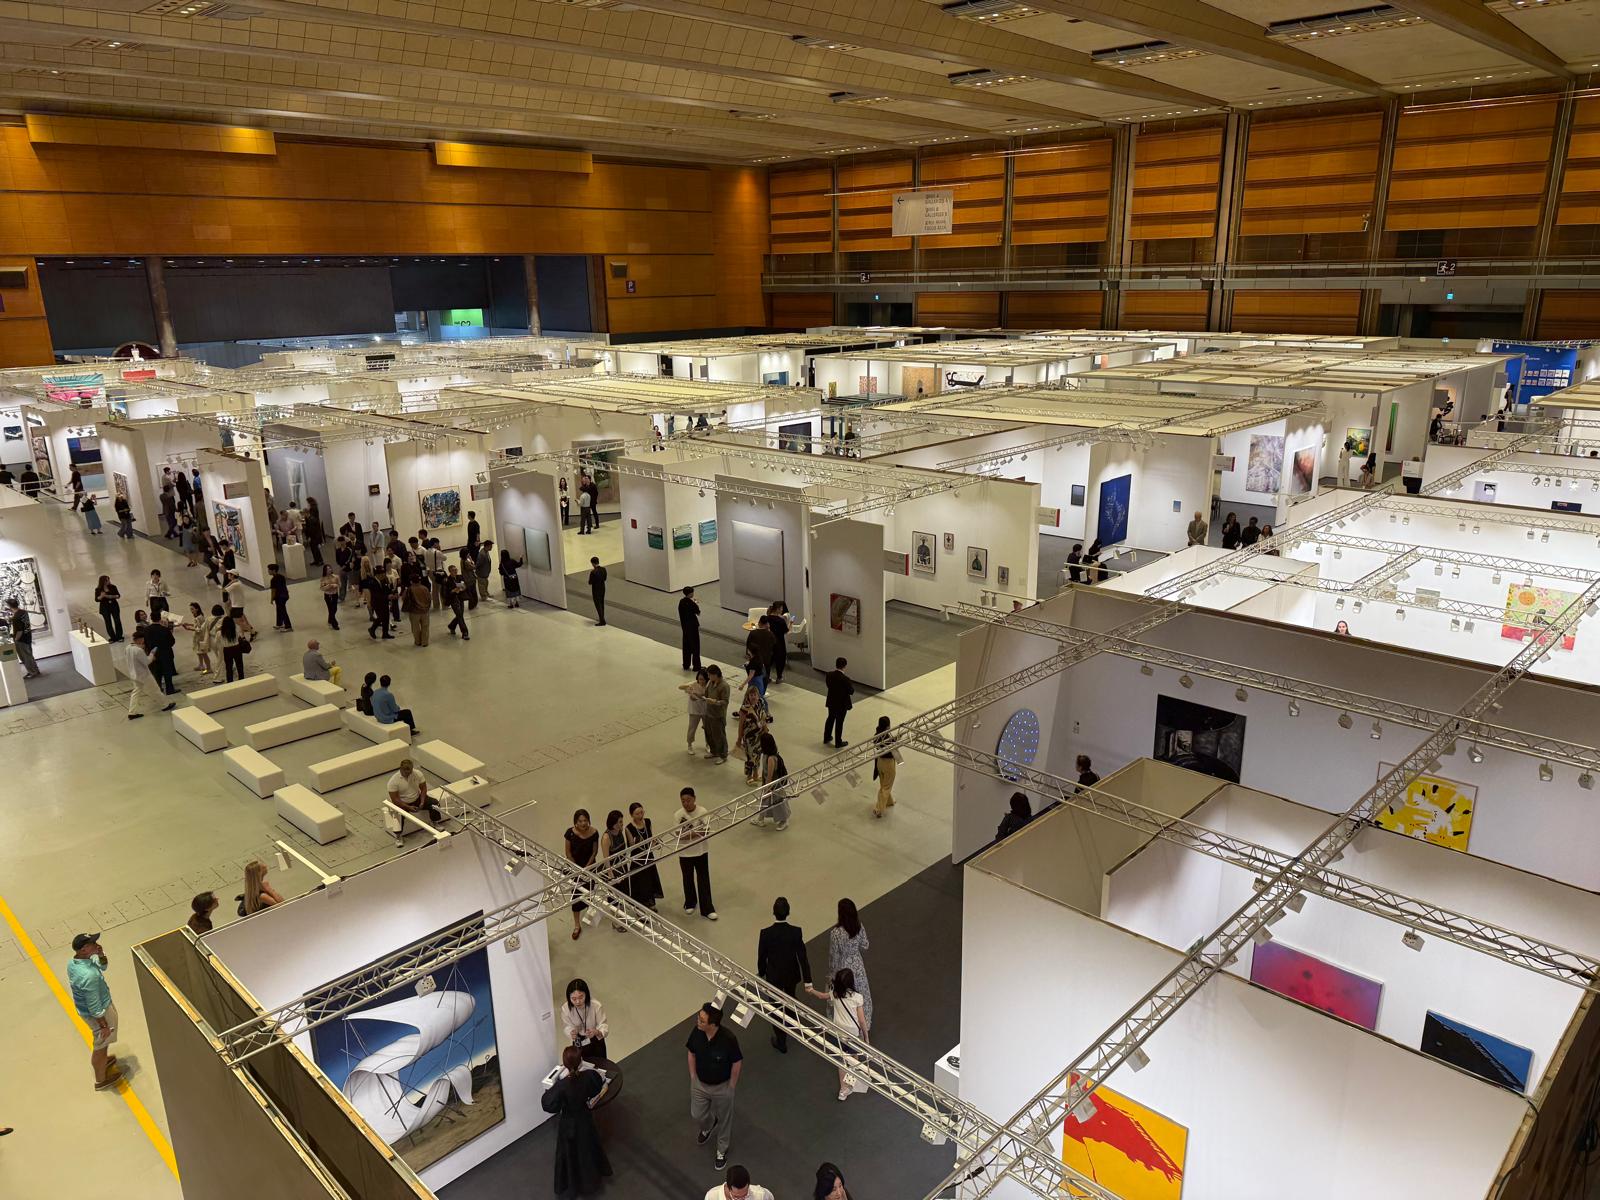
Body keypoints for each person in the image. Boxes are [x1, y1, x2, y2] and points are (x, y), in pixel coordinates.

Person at [541, 1045, 612, 1199]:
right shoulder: (589, 1077)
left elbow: (547, 1104)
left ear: (565, 1064)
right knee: (587, 1149)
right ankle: (590, 1180)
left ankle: (573, 1184)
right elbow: (597, 1084)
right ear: (580, 1062)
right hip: (585, 1119)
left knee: (570, 1153)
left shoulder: (561, 1086)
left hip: (569, 1124)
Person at [686, 1002, 742, 1170]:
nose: (698, 1021)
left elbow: (737, 1061)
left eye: (702, 1020)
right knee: (697, 1114)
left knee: (725, 1120)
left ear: (713, 1024)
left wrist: (731, 1086)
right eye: (699, 1017)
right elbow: (691, 1052)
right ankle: (709, 1124)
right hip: (700, 1084)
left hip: (722, 1087)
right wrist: (693, 1077)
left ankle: (721, 1150)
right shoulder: (697, 1032)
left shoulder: (728, 1039)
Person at [68, 933, 123, 1090]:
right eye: (93, 943)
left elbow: (103, 966)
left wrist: (100, 954)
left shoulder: (75, 962)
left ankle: (103, 1061)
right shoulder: (88, 976)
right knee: (101, 1045)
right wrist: (103, 1026)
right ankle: (101, 1080)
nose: (96, 944)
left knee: (103, 1042)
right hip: (100, 1012)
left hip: (95, 1006)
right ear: (84, 949)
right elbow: (94, 1006)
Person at [806, 968, 869, 1101]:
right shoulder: (857, 998)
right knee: (854, 1058)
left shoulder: (835, 994)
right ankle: (851, 1081)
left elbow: (822, 996)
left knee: (841, 1061)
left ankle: (843, 1090)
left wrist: (811, 990)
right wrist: (866, 1037)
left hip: (837, 1033)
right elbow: (862, 1020)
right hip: (852, 1034)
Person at [756, 896, 810, 1053]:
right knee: (791, 997)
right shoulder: (795, 932)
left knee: (775, 1007)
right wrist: (808, 980)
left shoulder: (766, 934)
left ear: (773, 912)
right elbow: (802, 957)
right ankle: (793, 1023)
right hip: (791, 974)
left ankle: (781, 1040)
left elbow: (761, 957)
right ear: (788, 912)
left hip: (774, 977)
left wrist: (762, 973)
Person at [828, 899, 872, 1028]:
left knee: (844, 996)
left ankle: (846, 1023)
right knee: (861, 994)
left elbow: (834, 956)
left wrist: (832, 975)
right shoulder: (858, 926)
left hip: (843, 967)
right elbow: (865, 945)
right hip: (857, 965)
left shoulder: (835, 933)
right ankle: (864, 1022)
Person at [676, 787, 716, 920]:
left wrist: (689, 834)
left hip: (701, 852)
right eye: (683, 801)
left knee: (703, 879)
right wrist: (695, 833)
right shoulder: (678, 815)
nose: (686, 803)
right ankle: (690, 902)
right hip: (685, 853)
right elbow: (679, 835)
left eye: (688, 800)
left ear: (694, 799)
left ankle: (707, 908)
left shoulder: (702, 812)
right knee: (687, 879)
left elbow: (706, 831)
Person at [564, 809, 600, 940]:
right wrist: (577, 869)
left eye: (585, 820)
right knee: (576, 897)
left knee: (589, 892)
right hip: (575, 869)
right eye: (580, 821)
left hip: (589, 867)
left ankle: (590, 915)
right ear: (576, 822)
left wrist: (587, 867)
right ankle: (577, 925)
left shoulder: (594, 833)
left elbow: (594, 852)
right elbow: (568, 853)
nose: (583, 823)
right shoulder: (570, 833)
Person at [622, 802, 664, 910]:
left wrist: (655, 843)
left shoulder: (648, 822)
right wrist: (638, 842)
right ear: (632, 815)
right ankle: (640, 907)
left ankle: (651, 903)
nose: (640, 816)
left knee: (650, 879)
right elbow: (631, 846)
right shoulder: (629, 828)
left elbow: (650, 837)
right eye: (637, 814)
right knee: (640, 883)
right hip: (638, 858)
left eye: (642, 812)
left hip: (649, 856)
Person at [125, 632, 173, 718]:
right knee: (155, 690)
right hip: (144, 675)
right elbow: (147, 661)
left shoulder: (128, 648)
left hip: (134, 674)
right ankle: (165, 705)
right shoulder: (138, 650)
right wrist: (152, 654)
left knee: (136, 693)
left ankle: (132, 712)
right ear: (140, 639)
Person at [562, 978, 610, 1061]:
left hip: (595, 1038)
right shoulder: (566, 1008)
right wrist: (571, 1032)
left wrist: (597, 1032)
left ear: (586, 994)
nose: (578, 1002)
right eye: (574, 999)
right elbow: (567, 1026)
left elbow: (603, 1024)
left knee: (601, 1063)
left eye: (581, 997)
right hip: (578, 1039)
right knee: (581, 1063)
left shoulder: (596, 1005)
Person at [753, 731, 791, 831]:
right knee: (765, 802)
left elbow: (770, 776)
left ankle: (784, 821)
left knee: (779, 803)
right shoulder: (766, 755)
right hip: (769, 784)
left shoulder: (771, 759)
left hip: (774, 785)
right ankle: (760, 819)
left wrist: (767, 789)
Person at [387, 758, 442, 827]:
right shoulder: (393, 781)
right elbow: (395, 799)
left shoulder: (417, 774)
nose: (408, 774)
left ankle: (434, 822)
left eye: (410, 772)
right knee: (398, 815)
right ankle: (398, 832)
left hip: (417, 798)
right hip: (403, 802)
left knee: (434, 803)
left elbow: (423, 788)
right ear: (401, 769)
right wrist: (408, 807)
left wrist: (422, 802)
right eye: (406, 773)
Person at [145, 613, 179, 694]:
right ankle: (169, 689)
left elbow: (146, 642)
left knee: (157, 673)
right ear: (160, 618)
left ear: (151, 619)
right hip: (165, 654)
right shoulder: (164, 629)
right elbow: (172, 641)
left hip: (154, 654)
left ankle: (158, 689)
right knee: (167, 673)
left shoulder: (146, 630)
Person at [824, 657, 854, 748]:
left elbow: (828, 685)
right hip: (842, 704)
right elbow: (851, 691)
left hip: (831, 702)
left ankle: (827, 737)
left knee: (830, 719)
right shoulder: (846, 679)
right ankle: (838, 742)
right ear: (844, 666)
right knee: (839, 722)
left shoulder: (829, 675)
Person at [703, 664, 731, 763]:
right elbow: (705, 694)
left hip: (718, 715)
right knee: (709, 733)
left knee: (719, 736)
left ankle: (723, 755)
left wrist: (715, 702)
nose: (708, 677)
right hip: (708, 712)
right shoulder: (710, 683)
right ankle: (714, 751)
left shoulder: (724, 686)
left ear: (715, 674)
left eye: (710, 675)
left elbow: (725, 701)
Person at [872, 715, 898, 818]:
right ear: (888, 726)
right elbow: (893, 747)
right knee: (886, 787)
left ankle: (889, 801)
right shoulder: (887, 737)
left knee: (884, 784)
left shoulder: (877, 735)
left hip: (879, 762)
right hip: (888, 764)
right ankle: (878, 809)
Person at [6, 598, 39, 679]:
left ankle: (32, 672)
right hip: (28, 636)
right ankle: (35, 670)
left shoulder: (16, 617)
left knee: (25, 657)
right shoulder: (23, 612)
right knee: (29, 655)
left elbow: (19, 631)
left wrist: (16, 640)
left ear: (9, 606)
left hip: (21, 639)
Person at [182, 601, 216, 678]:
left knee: (203, 653)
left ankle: (209, 668)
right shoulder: (200, 616)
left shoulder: (198, 618)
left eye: (192, 609)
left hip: (200, 638)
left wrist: (189, 628)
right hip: (199, 638)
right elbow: (198, 625)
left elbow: (199, 629)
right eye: (190, 609)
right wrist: (189, 624)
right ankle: (201, 665)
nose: (191, 611)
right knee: (199, 652)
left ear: (197, 609)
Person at [680, 668, 710, 754]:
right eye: (700, 679)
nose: (701, 681)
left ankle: (708, 744)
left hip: (705, 710)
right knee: (692, 728)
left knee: (708, 728)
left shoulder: (709, 686)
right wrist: (688, 688)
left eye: (703, 679)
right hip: (694, 711)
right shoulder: (693, 684)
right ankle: (689, 745)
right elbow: (680, 687)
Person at [707, 1164, 773, 1200]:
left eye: (745, 1195)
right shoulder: (712, 1197)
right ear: (727, 1187)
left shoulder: (761, 1195)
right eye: (736, 1197)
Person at [401, 567, 431, 646]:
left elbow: (403, 598)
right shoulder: (425, 588)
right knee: (425, 627)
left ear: (411, 581)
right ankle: (425, 642)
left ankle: (418, 641)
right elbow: (429, 598)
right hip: (425, 611)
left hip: (414, 612)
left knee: (415, 628)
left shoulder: (409, 589)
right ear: (419, 580)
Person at [365, 562, 393, 639]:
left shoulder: (384, 580)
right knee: (381, 617)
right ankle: (372, 629)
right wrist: (387, 597)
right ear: (378, 574)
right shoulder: (372, 582)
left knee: (386, 617)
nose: (384, 575)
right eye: (382, 574)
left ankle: (385, 633)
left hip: (384, 602)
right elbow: (376, 595)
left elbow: (387, 589)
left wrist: (391, 594)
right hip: (377, 603)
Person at [217, 611, 248, 683]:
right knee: (239, 666)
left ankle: (230, 682)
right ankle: (242, 680)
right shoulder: (236, 629)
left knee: (229, 667)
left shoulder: (220, 633)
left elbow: (217, 641)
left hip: (227, 650)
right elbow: (241, 636)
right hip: (237, 648)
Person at [744, 616, 775, 683]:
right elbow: (773, 645)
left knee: (754, 678)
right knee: (765, 678)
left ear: (759, 623)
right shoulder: (770, 634)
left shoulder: (753, 633)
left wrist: (748, 655)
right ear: (767, 624)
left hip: (755, 659)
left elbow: (748, 644)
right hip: (766, 659)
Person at [766, 601, 790, 685]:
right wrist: (790, 624)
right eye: (781, 608)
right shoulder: (781, 621)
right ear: (777, 609)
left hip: (769, 642)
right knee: (780, 659)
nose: (782, 610)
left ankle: (767, 677)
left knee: (769, 659)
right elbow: (786, 631)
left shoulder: (767, 618)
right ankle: (779, 677)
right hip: (779, 642)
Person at [94, 576, 124, 642]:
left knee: (117, 621)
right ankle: (112, 637)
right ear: (103, 582)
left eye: (108, 580)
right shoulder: (98, 589)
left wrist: (108, 596)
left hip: (114, 606)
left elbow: (118, 595)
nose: (108, 581)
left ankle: (119, 636)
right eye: (107, 580)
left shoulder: (113, 587)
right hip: (105, 607)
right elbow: (96, 599)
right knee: (108, 622)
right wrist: (101, 596)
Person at [679, 586, 702, 671]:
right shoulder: (691, 603)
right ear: (690, 593)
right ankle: (696, 666)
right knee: (695, 647)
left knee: (686, 647)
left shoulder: (681, 602)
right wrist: (696, 603)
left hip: (685, 627)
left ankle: (686, 664)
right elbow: (698, 612)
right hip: (693, 627)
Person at [444, 565, 470, 638]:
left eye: (456, 569)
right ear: (450, 571)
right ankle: (465, 632)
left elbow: (465, 585)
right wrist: (453, 590)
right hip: (453, 600)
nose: (455, 571)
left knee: (460, 615)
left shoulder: (460, 577)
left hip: (460, 598)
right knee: (460, 615)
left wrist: (464, 587)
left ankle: (451, 626)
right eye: (453, 570)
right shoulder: (447, 580)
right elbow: (446, 592)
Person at [268, 563, 293, 632]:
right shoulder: (282, 576)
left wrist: (271, 599)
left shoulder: (273, 580)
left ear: (273, 570)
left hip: (279, 597)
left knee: (283, 611)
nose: (268, 571)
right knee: (279, 610)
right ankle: (279, 624)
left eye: (269, 570)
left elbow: (273, 591)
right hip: (285, 595)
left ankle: (288, 626)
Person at [318, 564, 340, 630]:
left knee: (334, 608)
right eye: (327, 569)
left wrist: (335, 585)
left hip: (334, 594)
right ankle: (334, 624)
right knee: (330, 609)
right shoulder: (323, 579)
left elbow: (339, 585)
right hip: (328, 595)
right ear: (325, 571)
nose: (329, 570)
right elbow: (321, 588)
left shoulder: (336, 577)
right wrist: (328, 586)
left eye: (330, 568)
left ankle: (330, 619)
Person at [303, 500, 324, 567]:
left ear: (306, 513)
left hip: (314, 536)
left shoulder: (312, 519)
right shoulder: (309, 518)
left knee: (315, 549)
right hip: (313, 536)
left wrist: (309, 537)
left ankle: (320, 561)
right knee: (313, 549)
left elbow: (312, 529)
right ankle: (316, 560)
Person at [588, 557, 607, 626]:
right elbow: (605, 578)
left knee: (597, 605)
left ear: (593, 563)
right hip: (603, 588)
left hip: (596, 589)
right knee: (601, 603)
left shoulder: (593, 572)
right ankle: (602, 618)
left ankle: (602, 621)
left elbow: (590, 582)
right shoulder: (604, 569)